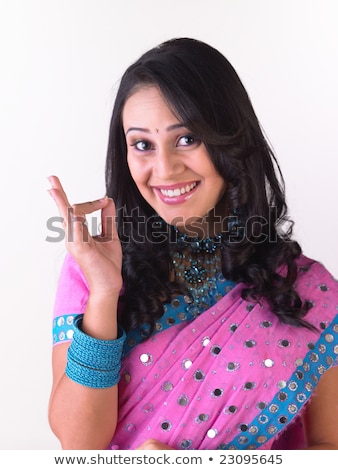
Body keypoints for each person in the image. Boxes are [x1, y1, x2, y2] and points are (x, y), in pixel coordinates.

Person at [48, 37, 338, 451]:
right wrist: (105, 294)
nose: (164, 169)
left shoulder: (309, 290)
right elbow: (79, 445)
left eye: (186, 139)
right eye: (143, 144)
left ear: (230, 140)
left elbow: (330, 449)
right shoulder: (93, 267)